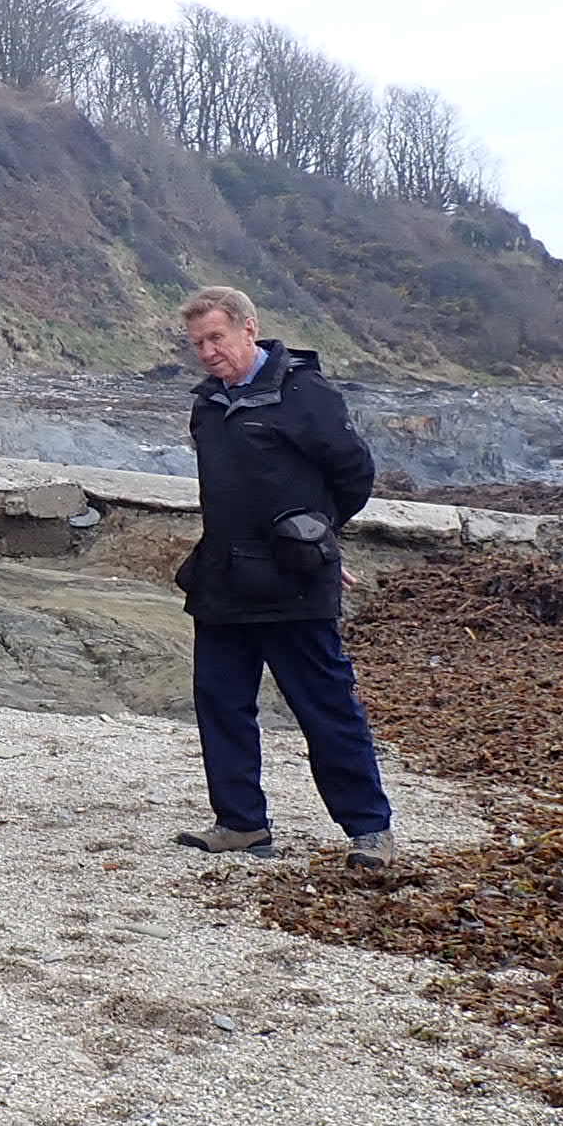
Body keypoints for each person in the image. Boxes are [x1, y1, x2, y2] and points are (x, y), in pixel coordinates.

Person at [171, 285, 397, 867]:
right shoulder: (207, 403)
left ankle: (370, 830)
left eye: (216, 338)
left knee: (326, 708)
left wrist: (318, 535)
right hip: (222, 578)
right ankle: (241, 823)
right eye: (198, 343)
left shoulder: (306, 395)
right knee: (221, 704)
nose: (208, 352)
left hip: (295, 580)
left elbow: (355, 475)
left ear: (250, 328)